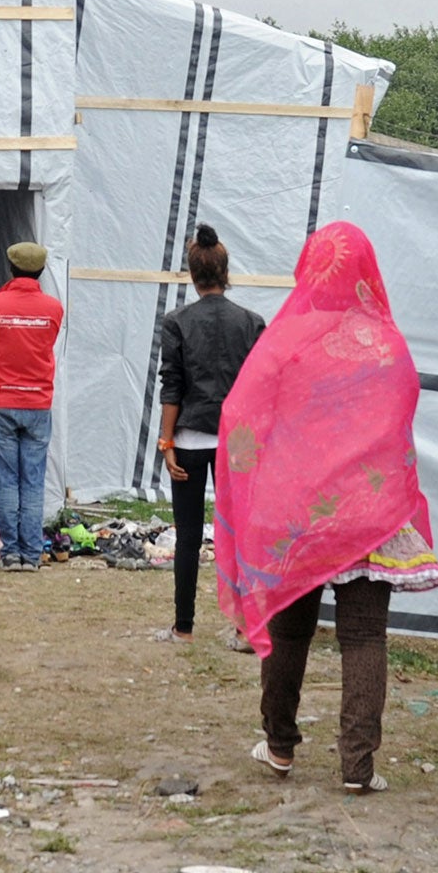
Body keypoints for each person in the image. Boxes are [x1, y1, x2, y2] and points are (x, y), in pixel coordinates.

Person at [215, 221, 438, 792]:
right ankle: (357, 768)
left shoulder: (288, 339)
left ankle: (279, 747)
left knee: (291, 632)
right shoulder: (385, 342)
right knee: (364, 637)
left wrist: (261, 481)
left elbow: (243, 414)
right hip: (368, 515)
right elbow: (402, 409)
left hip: (297, 516)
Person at [156, 223, 266, 642]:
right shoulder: (252, 322)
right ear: (225, 271)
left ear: (192, 273)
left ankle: (183, 627)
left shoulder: (177, 322)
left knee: (188, 535)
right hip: (237, 442)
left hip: (189, 440)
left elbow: (173, 386)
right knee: (239, 535)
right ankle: (243, 626)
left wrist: (166, 443)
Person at [0, 240, 65, 572]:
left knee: (6, 480)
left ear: (11, 268)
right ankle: (31, 552)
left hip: (0, 400)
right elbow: (47, 344)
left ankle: (10, 552)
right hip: (37, 402)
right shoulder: (54, 308)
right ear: (40, 271)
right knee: (33, 480)